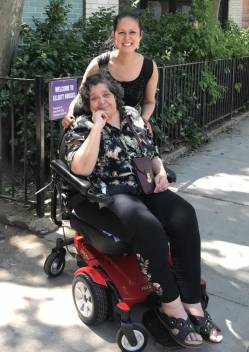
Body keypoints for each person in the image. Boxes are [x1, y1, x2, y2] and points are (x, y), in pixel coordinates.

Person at [64, 73, 223, 349]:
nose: (102, 102)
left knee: (184, 215)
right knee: (148, 226)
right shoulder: (81, 127)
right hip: (108, 195)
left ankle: (193, 304)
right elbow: (81, 168)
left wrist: (160, 170)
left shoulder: (132, 116)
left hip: (145, 186)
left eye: (107, 95)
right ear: (87, 104)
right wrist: (96, 130)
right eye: (94, 98)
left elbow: (151, 151)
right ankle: (171, 308)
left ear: (116, 96)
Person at [62, 12, 158, 130]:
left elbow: (149, 102)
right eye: (121, 32)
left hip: (129, 128)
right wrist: (70, 113)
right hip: (96, 126)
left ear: (140, 35)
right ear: (114, 36)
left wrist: (143, 121)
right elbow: (81, 95)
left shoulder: (149, 67)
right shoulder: (99, 64)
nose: (127, 37)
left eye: (132, 32)